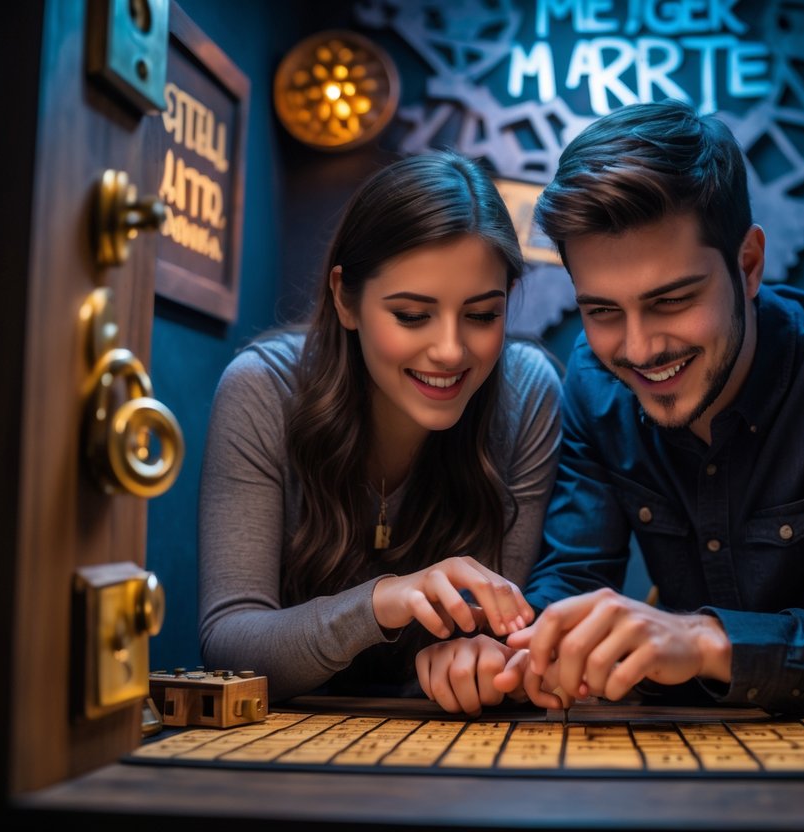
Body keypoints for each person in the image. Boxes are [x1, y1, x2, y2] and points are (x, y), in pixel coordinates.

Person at [417, 100, 804, 717]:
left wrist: (703, 639)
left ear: (748, 265)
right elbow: (572, 576)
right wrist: (504, 652)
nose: (641, 348)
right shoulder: (596, 385)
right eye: (602, 312)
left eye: (672, 300)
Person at [198, 151, 562, 704]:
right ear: (346, 298)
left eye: (482, 315)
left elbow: (501, 636)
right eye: (412, 315)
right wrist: (381, 603)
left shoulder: (528, 393)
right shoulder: (264, 389)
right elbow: (228, 644)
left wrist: (484, 660)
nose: (449, 350)